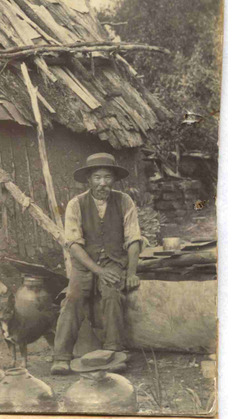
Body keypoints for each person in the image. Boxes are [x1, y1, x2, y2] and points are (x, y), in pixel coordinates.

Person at [50, 153, 145, 375]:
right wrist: (97, 271)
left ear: (114, 180)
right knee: (72, 298)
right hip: (85, 264)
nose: (103, 183)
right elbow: (73, 245)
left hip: (113, 261)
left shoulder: (124, 201)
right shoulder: (76, 204)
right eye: (97, 177)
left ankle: (114, 352)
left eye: (108, 177)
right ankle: (61, 357)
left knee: (112, 294)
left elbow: (133, 239)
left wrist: (131, 272)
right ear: (88, 179)